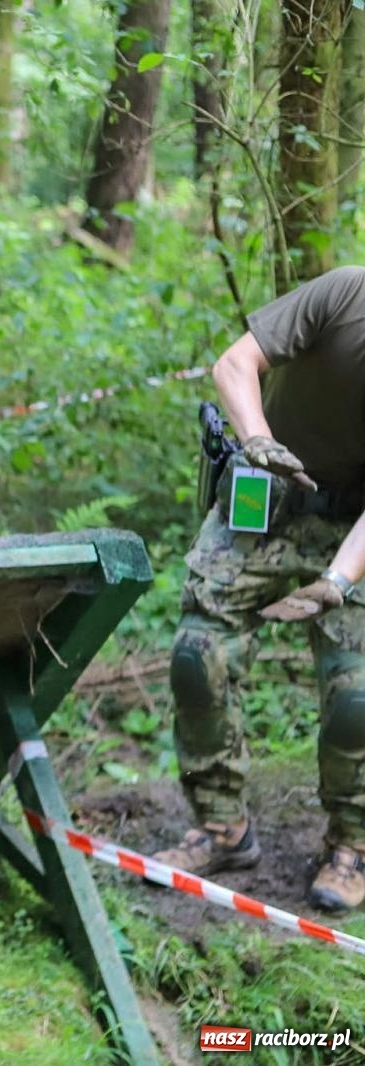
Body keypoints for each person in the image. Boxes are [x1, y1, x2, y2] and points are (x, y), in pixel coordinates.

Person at [157, 266, 365, 913]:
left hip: (352, 525)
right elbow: (234, 364)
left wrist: (336, 581)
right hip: (269, 489)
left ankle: (353, 847)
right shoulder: (346, 292)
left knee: (356, 693)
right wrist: (258, 442)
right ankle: (222, 825)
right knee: (198, 653)